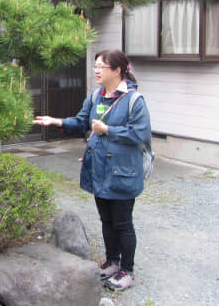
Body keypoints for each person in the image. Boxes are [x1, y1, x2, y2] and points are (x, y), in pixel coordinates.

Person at [33, 49, 151, 291]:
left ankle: (127, 271)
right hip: (100, 169)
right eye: (95, 66)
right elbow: (81, 122)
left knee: (123, 223)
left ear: (117, 70)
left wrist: (108, 130)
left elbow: (139, 133)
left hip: (123, 172)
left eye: (101, 67)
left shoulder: (133, 100)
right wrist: (57, 122)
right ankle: (111, 262)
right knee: (106, 220)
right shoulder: (97, 95)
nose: (96, 70)